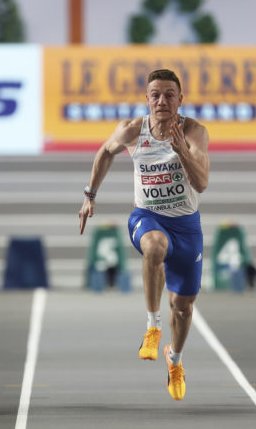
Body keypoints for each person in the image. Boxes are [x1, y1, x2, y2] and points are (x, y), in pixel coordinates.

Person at [78, 69, 209, 401]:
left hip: (186, 227)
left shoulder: (194, 132)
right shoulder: (132, 131)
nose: (162, 101)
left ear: (181, 99)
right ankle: (152, 327)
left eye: (169, 94)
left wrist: (181, 152)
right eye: (155, 94)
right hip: (147, 216)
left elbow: (202, 183)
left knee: (184, 307)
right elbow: (105, 152)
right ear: (147, 98)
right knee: (154, 247)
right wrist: (89, 196)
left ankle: (175, 360)